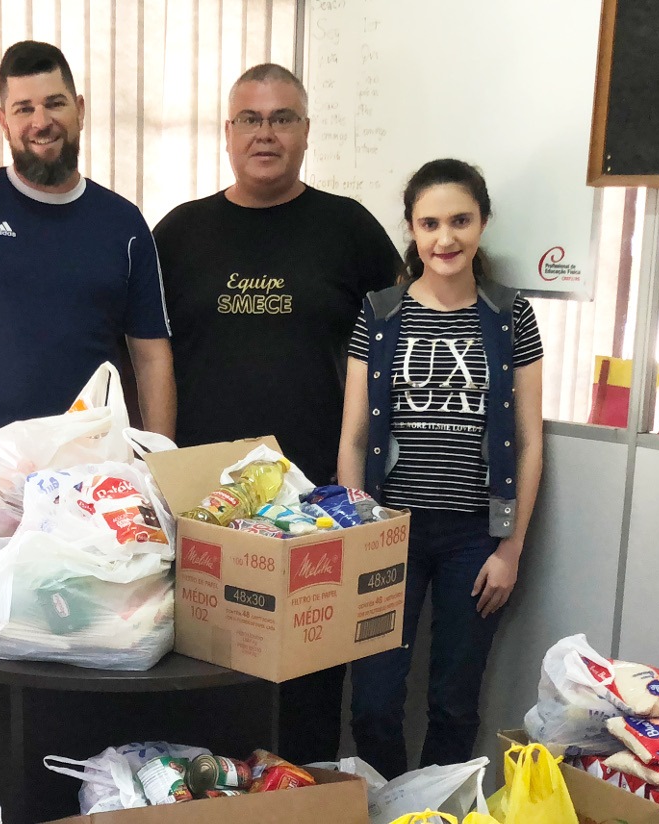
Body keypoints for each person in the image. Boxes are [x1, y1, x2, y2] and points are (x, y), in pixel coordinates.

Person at [153, 63, 399, 766]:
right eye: (252, 120)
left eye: (282, 118)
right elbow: (143, 356)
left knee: (310, 701)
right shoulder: (179, 233)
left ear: (306, 132)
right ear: (227, 133)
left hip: (318, 508)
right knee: (204, 685)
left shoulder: (349, 229)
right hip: (202, 508)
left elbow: (396, 342)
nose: (267, 133)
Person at [0, 41, 174, 489]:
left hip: (93, 484)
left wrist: (161, 467)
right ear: (4, 121)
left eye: (55, 104)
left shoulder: (124, 224)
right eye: (24, 108)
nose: (41, 122)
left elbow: (152, 356)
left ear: (79, 109)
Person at [339, 159, 545, 780]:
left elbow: (531, 441)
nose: (445, 238)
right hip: (388, 533)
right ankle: (383, 809)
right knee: (373, 705)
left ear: (482, 224)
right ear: (410, 228)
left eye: (460, 220)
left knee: (453, 705)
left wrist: (510, 548)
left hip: (472, 538)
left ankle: (434, 816)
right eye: (430, 223)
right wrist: (357, 536)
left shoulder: (512, 315)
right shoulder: (378, 314)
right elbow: (353, 438)